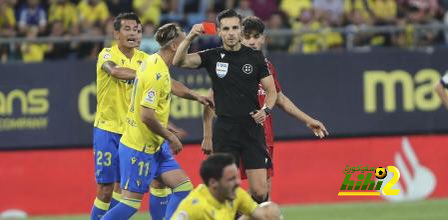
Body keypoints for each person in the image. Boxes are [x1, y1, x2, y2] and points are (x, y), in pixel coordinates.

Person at [202, 16, 329, 195]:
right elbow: (209, 101)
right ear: (239, 37)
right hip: (232, 133)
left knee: (262, 191)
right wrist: (207, 136)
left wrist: (308, 120)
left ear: (263, 38)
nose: (252, 41)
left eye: (256, 36)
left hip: (261, 135)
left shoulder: (266, 66)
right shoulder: (230, 63)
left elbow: (280, 99)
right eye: (247, 36)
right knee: (226, 187)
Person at [102, 23, 208, 220]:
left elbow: (171, 85)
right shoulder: (155, 72)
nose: (188, 45)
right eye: (184, 41)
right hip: (138, 147)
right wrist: (171, 137)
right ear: (175, 47)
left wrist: (196, 96)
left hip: (155, 146)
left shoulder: (155, 62)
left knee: (183, 187)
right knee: (130, 204)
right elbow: (146, 116)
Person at [173, 9, 278, 204]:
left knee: (260, 192)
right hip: (225, 130)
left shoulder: (255, 57)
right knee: (224, 190)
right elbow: (179, 61)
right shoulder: (212, 56)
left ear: (240, 30)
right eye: (226, 28)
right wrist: (189, 37)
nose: (231, 33)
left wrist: (266, 111)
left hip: (251, 130)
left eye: (235, 28)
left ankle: (240, 215)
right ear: (220, 31)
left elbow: (271, 91)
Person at [91, 12, 147, 220]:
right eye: (128, 29)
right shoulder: (107, 54)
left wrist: (194, 95)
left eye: (137, 30)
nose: (133, 33)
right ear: (116, 33)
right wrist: (147, 75)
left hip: (132, 133)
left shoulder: (146, 60)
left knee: (123, 191)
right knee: (105, 189)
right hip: (107, 130)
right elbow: (114, 71)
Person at [171, 153, 282, 220]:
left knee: (270, 211)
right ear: (213, 183)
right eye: (231, 179)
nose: (238, 182)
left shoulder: (236, 193)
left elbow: (263, 215)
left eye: (237, 177)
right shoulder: (194, 207)